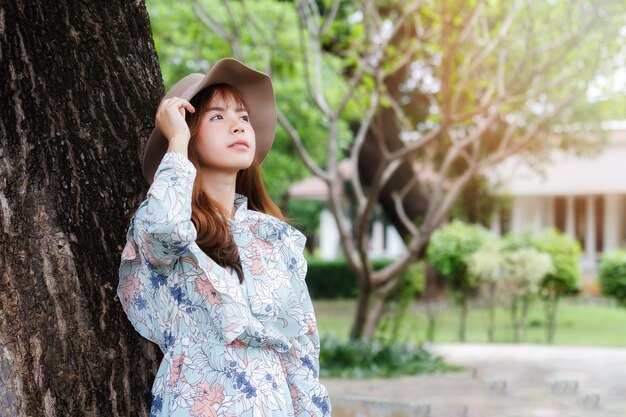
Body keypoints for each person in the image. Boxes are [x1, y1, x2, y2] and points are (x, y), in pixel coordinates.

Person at [117, 58, 331, 417]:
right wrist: (177, 142)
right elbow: (163, 231)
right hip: (198, 401)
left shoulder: (275, 238)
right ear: (187, 133)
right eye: (217, 116)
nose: (238, 126)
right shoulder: (172, 222)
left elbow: (301, 347)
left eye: (243, 117)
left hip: (273, 403)